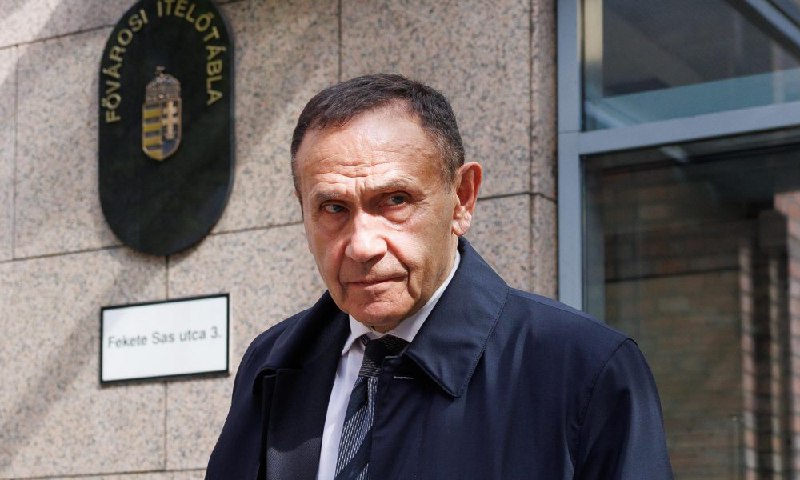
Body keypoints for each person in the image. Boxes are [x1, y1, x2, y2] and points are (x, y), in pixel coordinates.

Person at [206, 73, 673, 479]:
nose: (363, 245)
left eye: (395, 201)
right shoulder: (271, 364)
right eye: (333, 208)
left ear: (462, 199)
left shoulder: (584, 369)